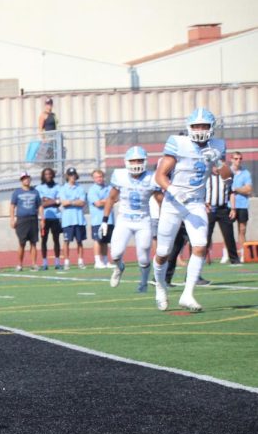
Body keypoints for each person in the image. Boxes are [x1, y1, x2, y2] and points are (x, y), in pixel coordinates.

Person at [153, 108, 232, 312]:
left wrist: (218, 161)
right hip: (173, 202)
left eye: (204, 126)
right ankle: (160, 286)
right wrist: (172, 189)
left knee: (200, 246)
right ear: (189, 127)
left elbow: (227, 176)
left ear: (211, 128)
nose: (200, 129)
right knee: (163, 252)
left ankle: (187, 294)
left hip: (196, 202)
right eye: (196, 125)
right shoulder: (179, 144)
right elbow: (160, 175)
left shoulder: (217, 146)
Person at [103, 146, 163, 293]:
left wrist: (165, 220)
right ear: (127, 162)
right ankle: (119, 267)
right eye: (133, 160)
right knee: (115, 254)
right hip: (124, 219)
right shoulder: (120, 176)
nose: (136, 163)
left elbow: (161, 201)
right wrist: (105, 219)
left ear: (145, 161)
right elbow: (111, 198)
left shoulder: (152, 177)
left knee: (143, 256)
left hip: (143, 220)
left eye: (139, 160)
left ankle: (143, 282)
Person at [205, 165, 240, 265]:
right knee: (206, 235)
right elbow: (200, 192)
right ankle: (201, 258)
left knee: (229, 235)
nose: (216, 168)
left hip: (223, 209)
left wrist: (233, 208)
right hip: (210, 209)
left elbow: (232, 193)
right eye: (214, 166)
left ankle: (234, 259)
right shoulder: (206, 177)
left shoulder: (226, 178)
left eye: (218, 166)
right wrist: (204, 205)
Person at [9, 171, 41, 271]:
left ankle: (34, 264)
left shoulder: (35, 191)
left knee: (33, 243)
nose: (26, 180)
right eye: (24, 178)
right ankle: (19, 264)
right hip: (22, 220)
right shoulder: (17, 192)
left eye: (27, 178)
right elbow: (12, 206)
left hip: (33, 219)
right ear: (21, 180)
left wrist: (42, 218)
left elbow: (39, 206)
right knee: (21, 243)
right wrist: (12, 219)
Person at [58, 167, 87, 269]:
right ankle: (66, 262)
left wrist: (71, 202)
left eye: (74, 175)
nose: (72, 177)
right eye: (70, 175)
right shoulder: (63, 189)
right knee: (66, 241)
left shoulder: (80, 188)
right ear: (67, 176)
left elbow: (82, 202)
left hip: (78, 219)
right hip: (67, 220)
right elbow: (64, 203)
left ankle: (80, 261)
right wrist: (75, 201)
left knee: (80, 241)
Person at [37, 167, 62, 270]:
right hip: (44, 218)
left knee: (56, 239)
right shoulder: (39, 188)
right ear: (43, 176)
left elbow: (59, 202)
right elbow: (41, 203)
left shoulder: (58, 187)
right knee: (44, 240)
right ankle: (45, 262)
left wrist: (47, 200)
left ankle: (57, 262)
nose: (48, 176)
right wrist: (53, 201)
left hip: (56, 217)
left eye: (50, 174)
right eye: (46, 174)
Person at [88, 169, 113, 269]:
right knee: (98, 240)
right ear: (93, 179)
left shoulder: (109, 188)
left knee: (105, 241)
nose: (99, 179)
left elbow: (115, 199)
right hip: (97, 220)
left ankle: (106, 260)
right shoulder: (92, 190)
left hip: (109, 219)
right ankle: (97, 261)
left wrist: (106, 201)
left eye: (100, 176)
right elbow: (97, 203)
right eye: (97, 177)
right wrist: (108, 201)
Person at [229, 151, 252, 260]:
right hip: (229, 205)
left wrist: (236, 189)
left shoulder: (246, 173)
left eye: (240, 158)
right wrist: (239, 189)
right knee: (227, 231)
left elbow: (248, 189)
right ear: (231, 159)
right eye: (236, 158)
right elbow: (227, 189)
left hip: (242, 205)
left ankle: (243, 253)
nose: (238, 160)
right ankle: (226, 254)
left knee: (242, 230)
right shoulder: (227, 172)